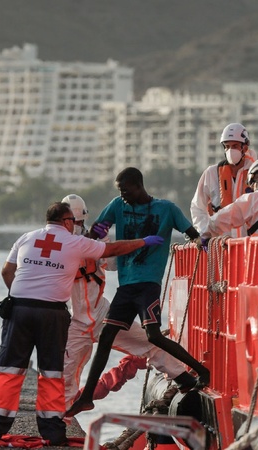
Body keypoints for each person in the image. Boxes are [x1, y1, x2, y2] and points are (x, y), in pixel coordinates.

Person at [0, 202, 165, 445]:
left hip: (19, 310)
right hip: (51, 314)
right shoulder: (73, 242)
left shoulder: (27, 237)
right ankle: (52, 431)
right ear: (67, 222)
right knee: (52, 373)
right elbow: (112, 250)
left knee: (10, 370)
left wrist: (23, 296)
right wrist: (143, 241)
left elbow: (7, 272)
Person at [65, 167, 209, 419]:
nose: (122, 195)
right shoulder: (111, 210)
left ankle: (194, 373)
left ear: (138, 186)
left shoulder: (166, 209)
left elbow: (192, 234)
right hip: (105, 303)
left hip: (131, 294)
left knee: (151, 338)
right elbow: (94, 238)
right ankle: (76, 404)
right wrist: (94, 236)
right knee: (89, 353)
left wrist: (202, 243)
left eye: (125, 190)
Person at [191, 123, 256, 237]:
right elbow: (198, 207)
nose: (230, 150)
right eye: (227, 146)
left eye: (235, 146)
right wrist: (205, 233)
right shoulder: (212, 173)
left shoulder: (256, 173)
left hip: (249, 245)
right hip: (221, 245)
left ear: (244, 147)